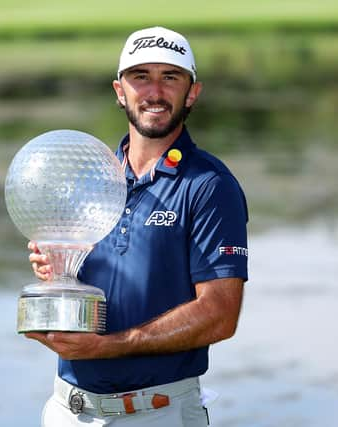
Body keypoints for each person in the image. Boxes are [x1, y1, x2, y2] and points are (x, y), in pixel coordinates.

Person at [26, 26, 249, 427]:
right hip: (67, 411)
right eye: (140, 76)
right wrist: (57, 271)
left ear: (192, 93)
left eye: (170, 77)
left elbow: (220, 315)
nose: (155, 91)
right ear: (119, 90)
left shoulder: (210, 185)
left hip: (156, 413)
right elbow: (88, 284)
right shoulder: (91, 176)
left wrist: (105, 348)